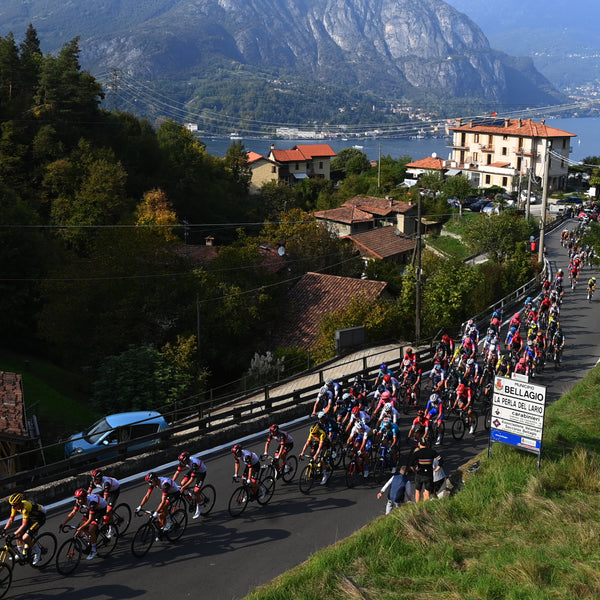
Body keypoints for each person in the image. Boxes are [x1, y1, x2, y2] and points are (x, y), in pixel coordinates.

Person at [61, 488, 108, 560]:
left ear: (84, 498)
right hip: (90, 508)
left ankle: (94, 550)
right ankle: (90, 536)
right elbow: (73, 513)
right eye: (76, 498)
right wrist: (64, 523)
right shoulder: (79, 502)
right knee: (82, 524)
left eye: (79, 499)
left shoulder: (92, 503)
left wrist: (81, 528)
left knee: (92, 528)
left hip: (100, 509)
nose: (77, 501)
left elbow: (90, 519)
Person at [2, 493, 46, 565]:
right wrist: (4, 530)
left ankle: (37, 551)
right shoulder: (15, 506)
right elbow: (11, 520)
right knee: (19, 534)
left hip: (39, 519)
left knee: (25, 537)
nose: (13, 507)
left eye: (14, 505)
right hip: (30, 517)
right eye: (12, 505)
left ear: (19, 503)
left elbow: (24, 525)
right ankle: (21, 553)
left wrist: (14, 533)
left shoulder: (26, 507)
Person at [172, 451, 208, 519]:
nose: (182, 463)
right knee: (183, 483)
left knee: (196, 491)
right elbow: (177, 472)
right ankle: (190, 492)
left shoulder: (194, 463)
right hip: (193, 470)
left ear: (187, 460)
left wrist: (183, 488)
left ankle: (199, 508)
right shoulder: (183, 461)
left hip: (201, 472)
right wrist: (172, 482)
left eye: (183, 462)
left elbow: (192, 480)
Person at [88, 469, 120, 537]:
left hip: (114, 490)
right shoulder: (93, 482)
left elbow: (105, 500)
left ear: (100, 478)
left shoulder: (106, 483)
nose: (94, 481)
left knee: (108, 510)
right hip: (105, 490)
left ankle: (111, 528)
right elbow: (88, 494)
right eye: (93, 479)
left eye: (96, 479)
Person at [300, 417, 332, 485]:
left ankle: (325, 475)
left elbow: (320, 447)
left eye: (314, 434)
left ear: (317, 432)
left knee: (322, 460)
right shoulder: (312, 433)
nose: (313, 435)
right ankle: (314, 465)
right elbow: (307, 443)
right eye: (312, 434)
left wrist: (316, 455)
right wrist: (302, 452)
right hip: (317, 441)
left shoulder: (322, 434)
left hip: (324, 443)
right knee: (311, 452)